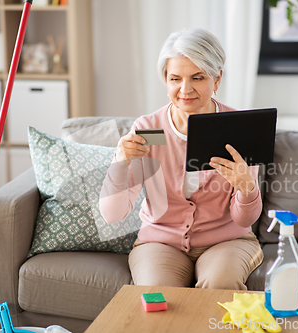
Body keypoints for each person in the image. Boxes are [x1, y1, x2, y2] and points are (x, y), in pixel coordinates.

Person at [99, 28, 263, 290]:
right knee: (158, 296)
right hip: (160, 242)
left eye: (197, 77)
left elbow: (244, 220)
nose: (185, 89)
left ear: (217, 79)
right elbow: (112, 214)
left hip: (227, 242)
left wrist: (247, 188)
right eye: (175, 78)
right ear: (165, 80)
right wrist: (120, 162)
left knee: (219, 286)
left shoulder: (239, 128)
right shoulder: (149, 130)